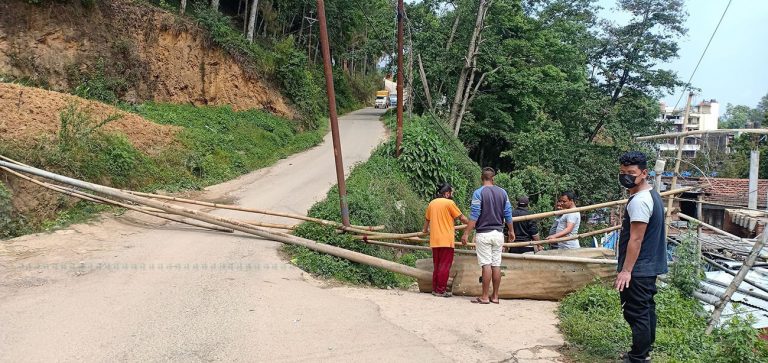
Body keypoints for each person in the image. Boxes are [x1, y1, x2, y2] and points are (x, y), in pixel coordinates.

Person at [615, 151, 667, 363]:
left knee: (636, 313)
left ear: (644, 173)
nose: (626, 177)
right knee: (646, 310)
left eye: (631, 173)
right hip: (649, 265)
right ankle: (643, 351)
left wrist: (626, 271)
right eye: (623, 172)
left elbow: (636, 239)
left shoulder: (639, 201)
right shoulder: (652, 194)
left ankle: (638, 357)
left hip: (639, 269)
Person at [461, 167, 514, 304]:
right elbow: (508, 213)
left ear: (482, 178)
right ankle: (495, 296)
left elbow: (474, 215)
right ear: (493, 178)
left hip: (484, 233)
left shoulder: (478, 193)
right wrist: (511, 231)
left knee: (486, 265)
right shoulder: (503, 193)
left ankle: (484, 296)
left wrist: (466, 233)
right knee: (496, 265)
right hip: (498, 233)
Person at [422, 183, 468, 297]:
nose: (451, 195)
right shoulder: (449, 203)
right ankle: (440, 290)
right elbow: (461, 218)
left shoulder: (432, 203)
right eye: (451, 193)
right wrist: (472, 224)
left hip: (435, 239)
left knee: (437, 265)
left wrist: (424, 231)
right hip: (446, 239)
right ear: (447, 193)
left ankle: (435, 288)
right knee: (445, 266)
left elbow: (427, 220)